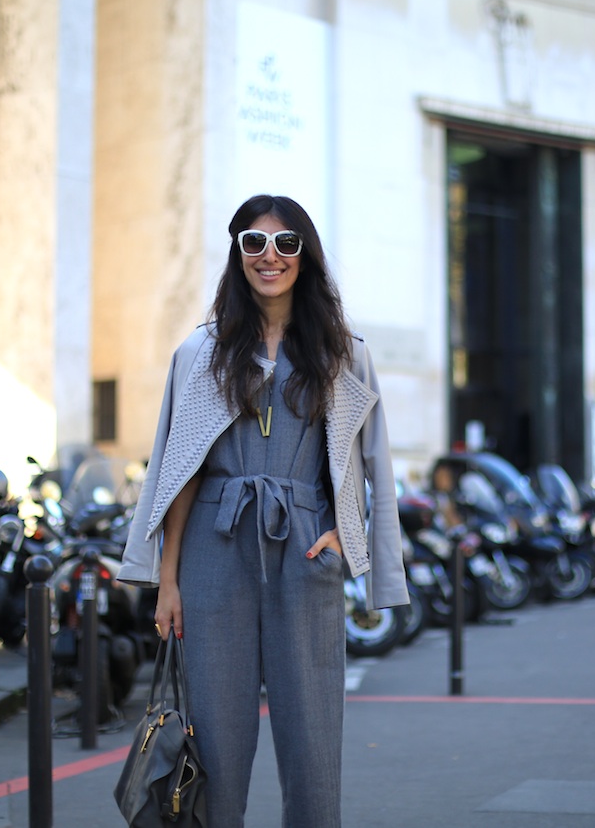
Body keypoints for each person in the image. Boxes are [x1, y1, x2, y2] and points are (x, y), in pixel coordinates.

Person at [117, 195, 408, 828]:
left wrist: (345, 538)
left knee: (312, 742)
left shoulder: (342, 352)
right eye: (253, 243)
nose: (268, 257)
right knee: (217, 744)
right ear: (237, 254)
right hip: (212, 553)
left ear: (305, 256)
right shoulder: (201, 352)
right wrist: (167, 579)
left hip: (306, 548)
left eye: (284, 244)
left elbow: (371, 463)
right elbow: (178, 467)